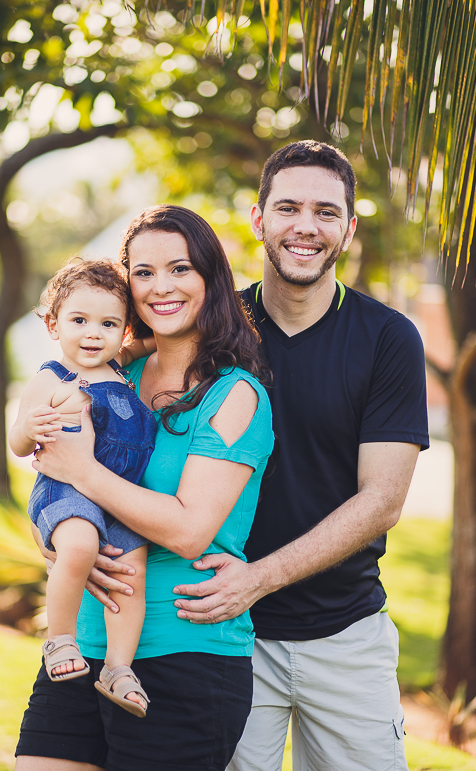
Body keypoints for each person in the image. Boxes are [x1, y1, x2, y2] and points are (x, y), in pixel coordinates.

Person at [170, 141, 429, 771]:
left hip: (347, 636)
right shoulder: (213, 331)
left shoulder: (388, 338)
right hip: (224, 635)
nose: (306, 227)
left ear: (348, 228)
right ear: (258, 220)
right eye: (288, 208)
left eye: (326, 211)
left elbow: (382, 501)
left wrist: (257, 580)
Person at [14, 205, 274, 771]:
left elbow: (187, 530)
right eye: (144, 273)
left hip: (184, 653)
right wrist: (58, 538)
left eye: (180, 269)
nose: (161, 288)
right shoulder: (111, 376)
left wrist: (84, 473)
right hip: (80, 646)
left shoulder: (234, 395)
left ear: (211, 279)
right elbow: (47, 472)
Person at [10, 258, 157, 716]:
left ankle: (117, 668)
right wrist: (29, 426)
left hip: (118, 497)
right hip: (65, 493)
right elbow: (17, 443)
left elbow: (154, 343)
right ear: (53, 325)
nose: (93, 333)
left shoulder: (119, 369)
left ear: (125, 331)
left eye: (108, 323)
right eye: (79, 321)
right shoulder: (51, 378)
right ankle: (59, 640)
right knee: (78, 546)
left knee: (131, 577)